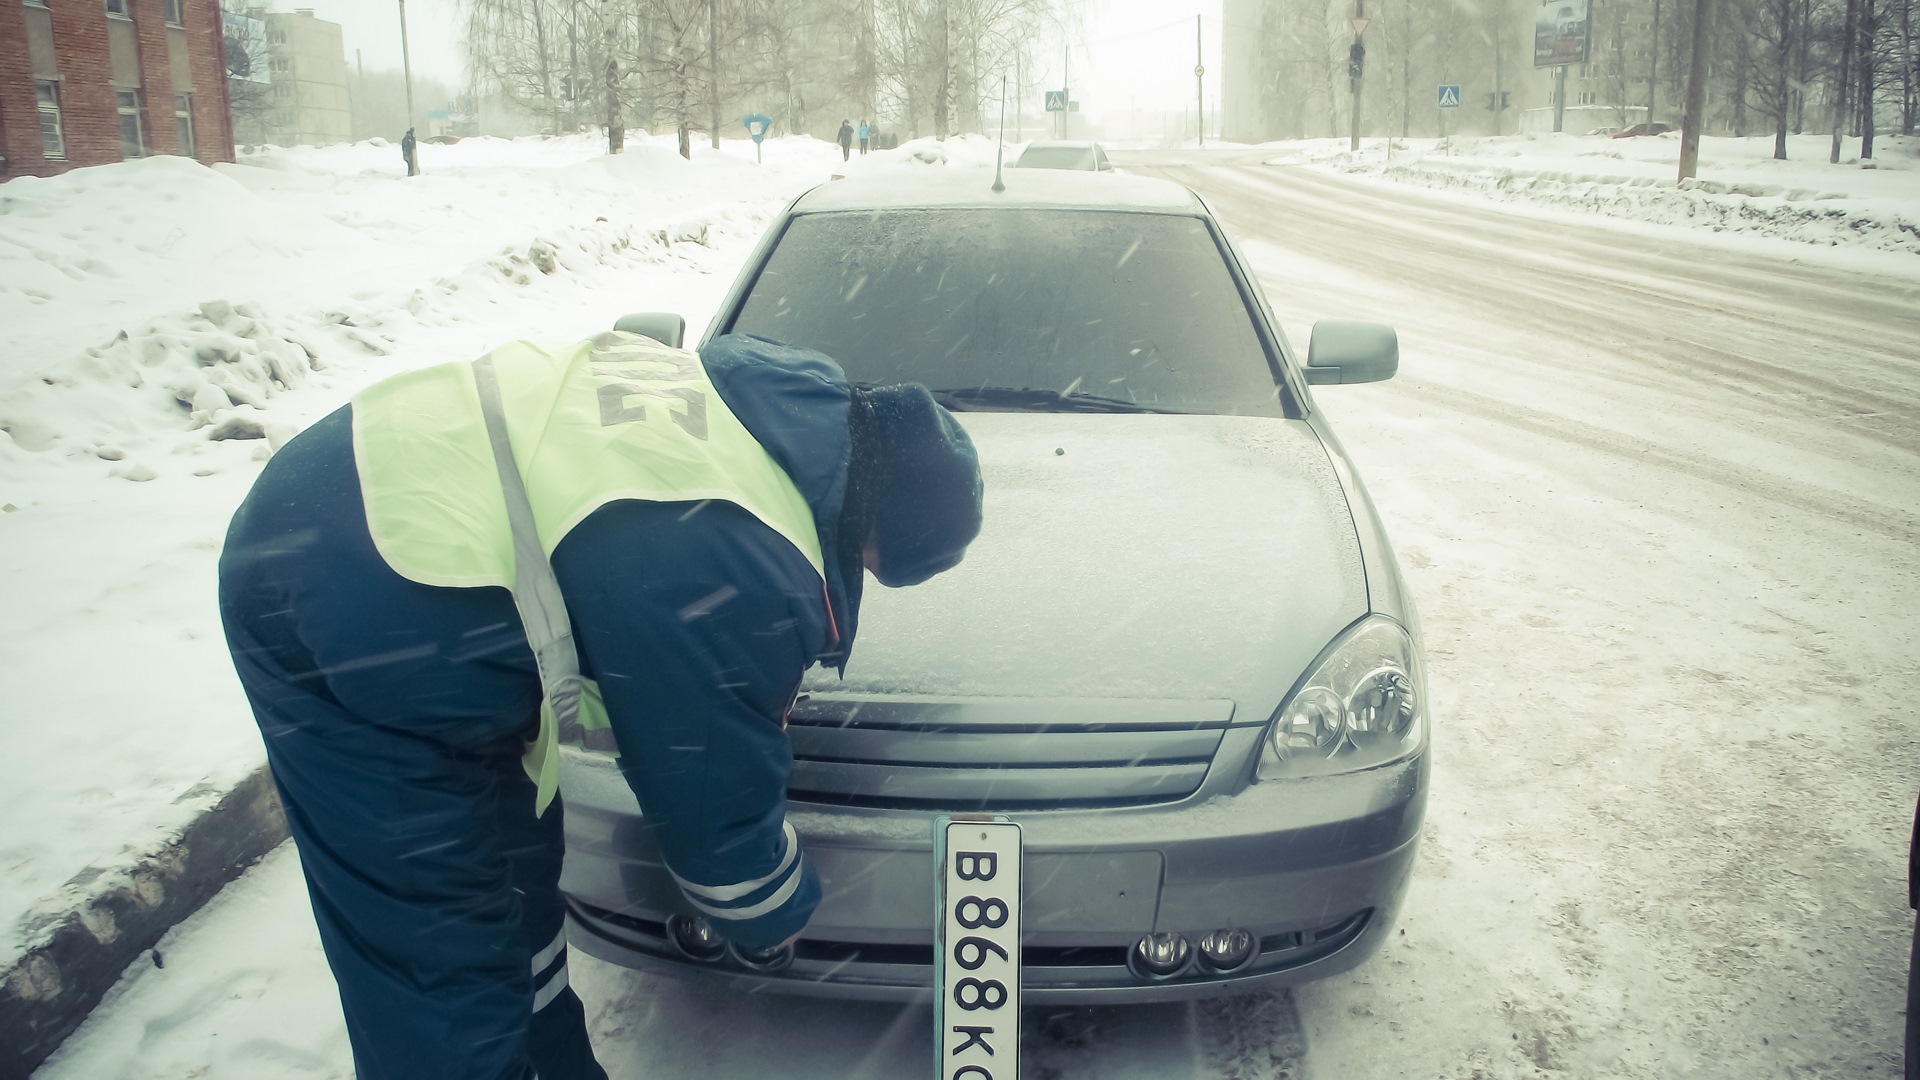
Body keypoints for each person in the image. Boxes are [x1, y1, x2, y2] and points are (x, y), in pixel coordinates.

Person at [218, 331, 984, 1080]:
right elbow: (715, 822)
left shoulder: (739, 413)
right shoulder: (740, 557)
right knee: (436, 951)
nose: (859, 575)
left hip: (366, 504)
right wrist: (776, 916)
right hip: (358, 584)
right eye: (879, 567)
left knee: (517, 891)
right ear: (876, 522)